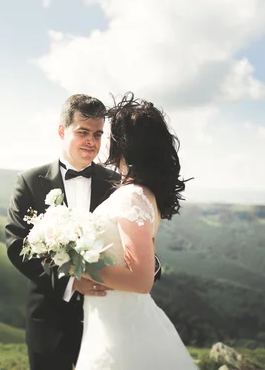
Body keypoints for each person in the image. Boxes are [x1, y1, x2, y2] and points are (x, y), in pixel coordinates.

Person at [74, 92, 198, 370]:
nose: (104, 139)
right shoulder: (142, 192)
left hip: (122, 329)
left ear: (122, 142)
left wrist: (80, 271)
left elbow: (142, 280)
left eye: (109, 133)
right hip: (111, 317)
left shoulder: (132, 196)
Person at [5, 94, 121, 370]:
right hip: (48, 322)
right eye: (83, 132)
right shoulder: (30, 181)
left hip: (104, 320)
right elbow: (15, 244)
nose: (91, 141)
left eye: (97, 134)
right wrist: (71, 282)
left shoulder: (116, 184)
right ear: (62, 130)